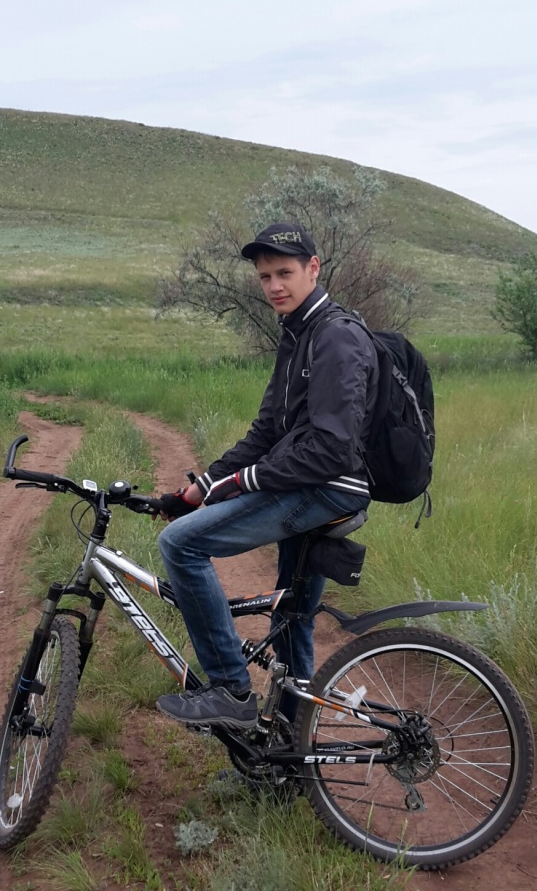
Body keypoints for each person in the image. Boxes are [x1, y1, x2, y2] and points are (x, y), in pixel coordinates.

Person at [155, 221, 380, 729]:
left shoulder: (336, 336)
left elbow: (331, 449)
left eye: (284, 273)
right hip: (313, 485)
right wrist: (200, 489)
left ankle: (230, 690)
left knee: (180, 545)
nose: (274, 286)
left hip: (325, 488)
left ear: (313, 269)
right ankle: (290, 753)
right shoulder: (297, 334)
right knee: (292, 618)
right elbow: (266, 433)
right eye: (264, 277)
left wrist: (240, 483)